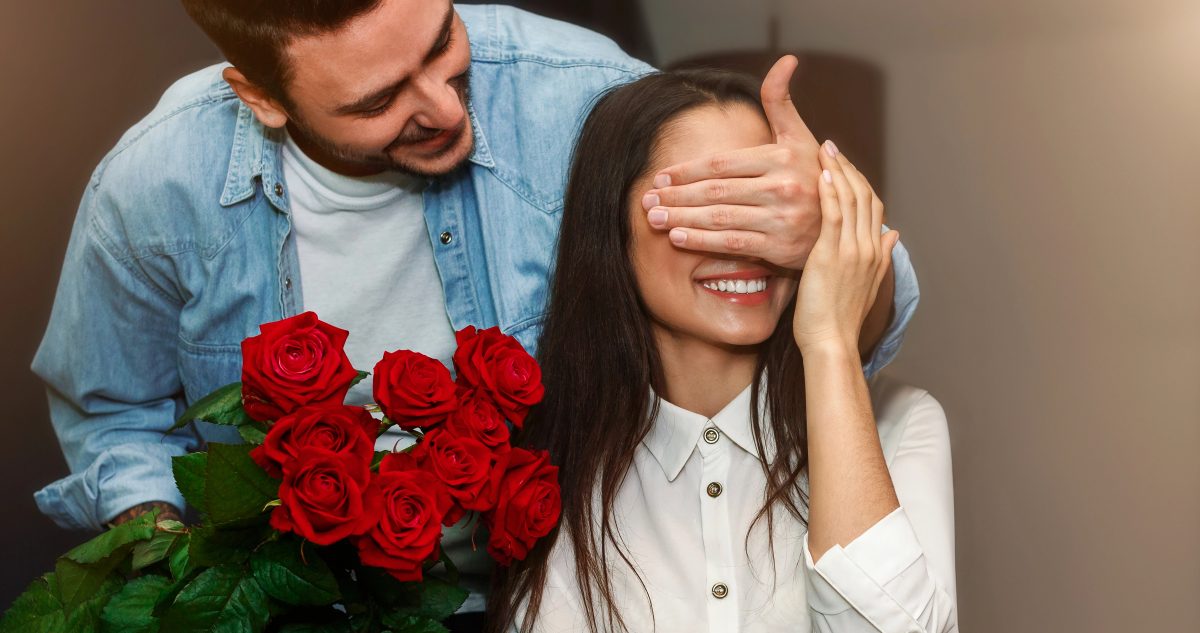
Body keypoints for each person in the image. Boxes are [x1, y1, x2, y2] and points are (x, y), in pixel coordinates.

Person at [31, 0, 919, 627]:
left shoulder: (573, 92)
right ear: (258, 96)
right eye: (379, 99)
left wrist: (813, 232)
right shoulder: (156, 185)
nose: (445, 106)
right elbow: (115, 410)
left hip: (557, 600)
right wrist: (186, 575)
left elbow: (874, 300)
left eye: (441, 40)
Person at [487, 69, 956, 632]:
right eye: (707, 205)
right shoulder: (548, 464)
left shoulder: (902, 426)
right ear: (611, 225)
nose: (744, 242)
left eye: (770, 207)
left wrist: (830, 342)